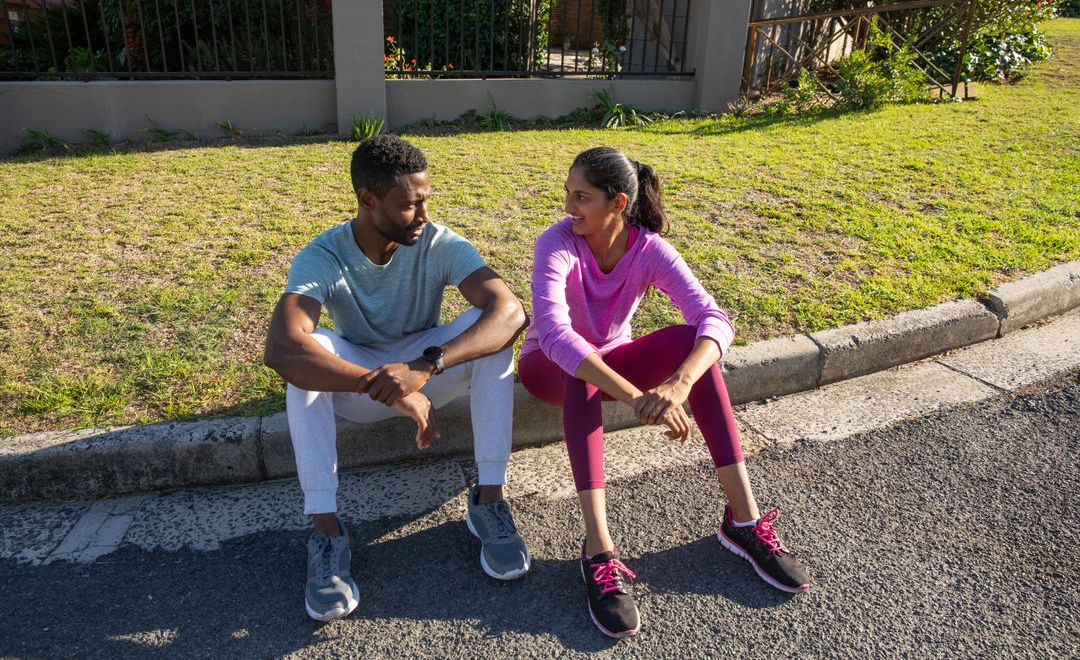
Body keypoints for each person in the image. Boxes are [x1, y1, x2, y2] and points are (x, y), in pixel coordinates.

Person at [518, 146, 811, 638]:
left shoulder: (649, 249)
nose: (569, 206)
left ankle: (743, 520)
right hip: (547, 367)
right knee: (579, 366)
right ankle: (598, 550)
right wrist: (636, 397)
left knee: (685, 342)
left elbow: (714, 319)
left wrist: (679, 384)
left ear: (618, 203)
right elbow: (554, 333)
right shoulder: (558, 242)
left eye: (581, 196)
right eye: (568, 194)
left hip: (611, 360)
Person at [264, 134, 531, 622]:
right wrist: (384, 386)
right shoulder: (323, 254)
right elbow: (281, 347)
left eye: (426, 199)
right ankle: (326, 533)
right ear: (368, 200)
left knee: (495, 339)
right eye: (410, 205)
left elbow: (510, 311)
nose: (424, 214)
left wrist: (424, 368)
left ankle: (489, 501)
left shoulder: (437, 241)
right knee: (306, 359)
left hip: (422, 367)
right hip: (358, 376)